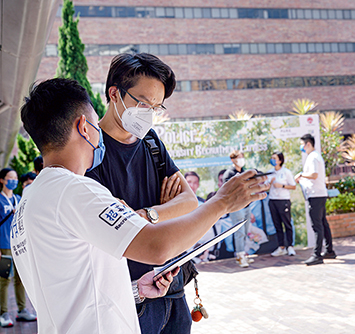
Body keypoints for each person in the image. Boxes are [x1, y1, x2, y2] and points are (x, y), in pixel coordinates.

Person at [12, 78, 269, 332]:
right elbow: (157, 247)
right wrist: (222, 202)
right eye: (94, 122)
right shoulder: (73, 190)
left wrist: (137, 290)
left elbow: (75, 286)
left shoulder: (30, 202)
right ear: (83, 127)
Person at [85, 53, 200, 333]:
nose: (149, 113)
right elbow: (110, 227)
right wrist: (165, 212)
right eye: (143, 103)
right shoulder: (89, 152)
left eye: (156, 106)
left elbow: (189, 201)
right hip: (130, 294)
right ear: (115, 93)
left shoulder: (151, 142)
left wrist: (148, 214)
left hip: (172, 285)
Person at [0, 168, 36, 327]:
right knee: (4, 279)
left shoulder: (18, 198)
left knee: (21, 279)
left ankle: (22, 311)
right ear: (2, 180)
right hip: (3, 245)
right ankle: (3, 313)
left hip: (18, 245)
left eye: (15, 178)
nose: (13, 180)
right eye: (10, 178)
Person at [295, 134, 336, 266]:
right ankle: (329, 250)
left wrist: (301, 175)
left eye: (302, 144)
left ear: (308, 144)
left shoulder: (313, 157)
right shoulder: (315, 156)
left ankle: (317, 255)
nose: (301, 147)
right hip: (319, 194)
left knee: (317, 225)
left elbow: (314, 175)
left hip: (316, 195)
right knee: (323, 223)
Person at [223, 150, 255, 268]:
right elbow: (228, 191)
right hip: (236, 207)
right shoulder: (229, 174)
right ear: (233, 160)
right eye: (239, 157)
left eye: (242, 157)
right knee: (239, 232)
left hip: (246, 206)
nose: (242, 159)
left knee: (245, 231)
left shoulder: (244, 172)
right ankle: (240, 256)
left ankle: (241, 254)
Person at [268, 151, 297, 257]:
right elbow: (266, 187)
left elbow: (293, 186)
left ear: (280, 160)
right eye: (272, 158)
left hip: (283, 200)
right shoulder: (269, 172)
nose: (272, 160)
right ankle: (281, 247)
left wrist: (282, 186)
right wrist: (270, 183)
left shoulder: (286, 172)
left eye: (275, 158)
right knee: (277, 225)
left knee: (287, 224)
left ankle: (290, 246)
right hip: (272, 201)